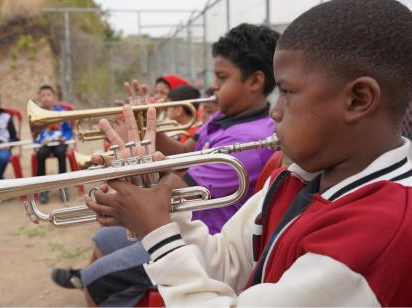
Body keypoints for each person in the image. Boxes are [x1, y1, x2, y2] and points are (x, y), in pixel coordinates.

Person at [86, 0, 412, 305]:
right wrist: (165, 208)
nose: (275, 112)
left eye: (286, 93)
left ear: (357, 99)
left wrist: (157, 231)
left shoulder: (380, 232)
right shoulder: (291, 179)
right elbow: (223, 263)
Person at [52, 23, 280, 306]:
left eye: (222, 78)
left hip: (197, 237)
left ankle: (95, 285)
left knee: (97, 279)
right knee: (104, 239)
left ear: (255, 82)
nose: (214, 87)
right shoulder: (224, 118)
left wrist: (132, 163)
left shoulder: (249, 141)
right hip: (178, 222)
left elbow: (173, 189)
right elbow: (184, 150)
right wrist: (146, 125)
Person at [34, 85, 72, 204]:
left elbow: (68, 130)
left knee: (61, 153)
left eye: (48, 95)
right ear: (39, 98)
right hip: (46, 143)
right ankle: (43, 189)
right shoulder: (37, 114)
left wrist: (64, 138)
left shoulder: (61, 112)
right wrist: (40, 141)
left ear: (54, 98)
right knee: (40, 154)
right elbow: (35, 132)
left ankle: (63, 185)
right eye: (43, 95)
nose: (46, 98)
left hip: (60, 142)